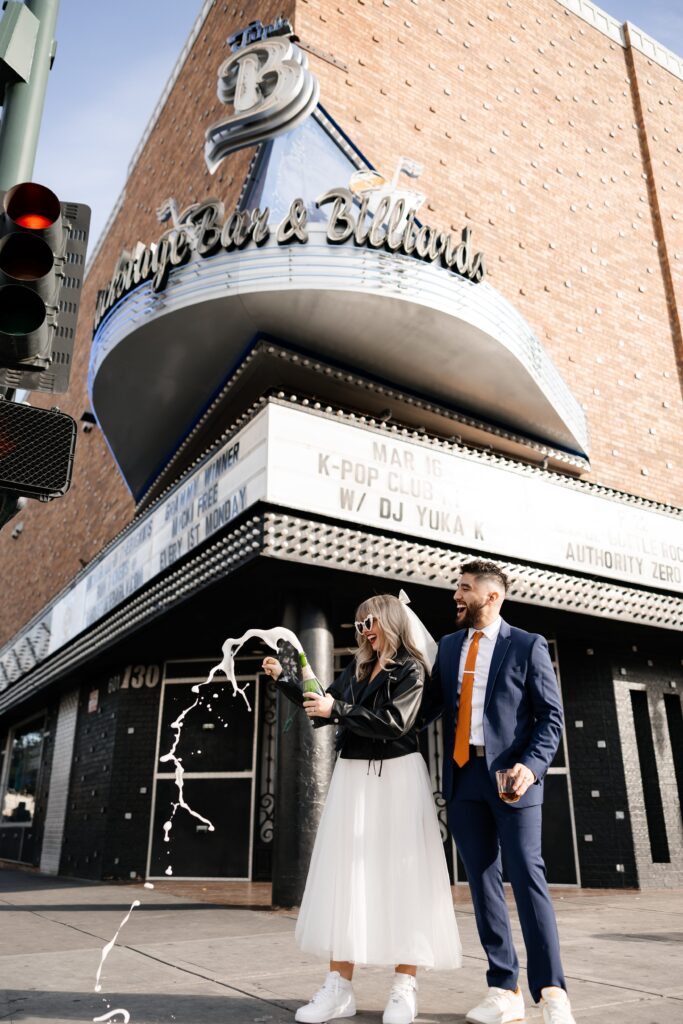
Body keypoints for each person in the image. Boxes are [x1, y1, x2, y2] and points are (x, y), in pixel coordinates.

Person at [262, 593, 461, 1024]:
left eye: (368, 621)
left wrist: (339, 708)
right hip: (353, 777)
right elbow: (324, 705)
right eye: (357, 623)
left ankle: (403, 987)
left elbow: (396, 722)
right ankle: (338, 989)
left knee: (404, 877)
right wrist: (287, 680)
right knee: (345, 875)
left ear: (388, 620)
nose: (362, 630)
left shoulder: (411, 668)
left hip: (398, 777)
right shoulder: (355, 669)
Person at [424, 559, 576, 1024]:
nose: (456, 595)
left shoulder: (526, 646)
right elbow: (425, 707)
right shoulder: (448, 647)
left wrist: (530, 769)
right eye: (457, 587)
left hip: (514, 781)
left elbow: (551, 718)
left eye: (465, 588)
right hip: (464, 776)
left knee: (528, 878)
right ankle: (502, 989)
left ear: (491, 597)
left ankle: (551, 993)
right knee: (482, 883)